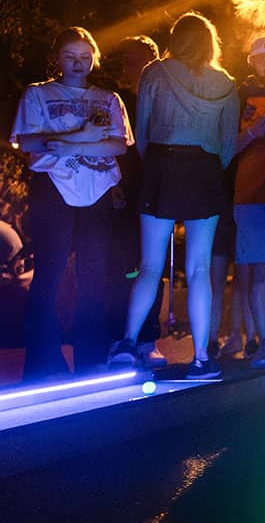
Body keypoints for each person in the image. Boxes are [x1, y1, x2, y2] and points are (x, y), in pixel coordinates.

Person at [108, 12, 239, 380]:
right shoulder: (226, 83)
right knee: (199, 269)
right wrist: (207, 163)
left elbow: (143, 131)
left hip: (162, 167)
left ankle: (128, 345)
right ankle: (201, 359)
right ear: (210, 43)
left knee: (149, 265)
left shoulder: (155, 73)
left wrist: (159, 162)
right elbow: (228, 145)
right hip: (206, 171)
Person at [11, 27, 133, 380]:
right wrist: (79, 138)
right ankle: (43, 363)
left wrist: (68, 145)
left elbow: (117, 145)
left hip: (96, 192)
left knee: (94, 278)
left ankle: (91, 359)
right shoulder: (38, 94)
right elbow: (28, 141)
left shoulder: (108, 98)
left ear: (94, 57)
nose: (78, 63)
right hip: (52, 189)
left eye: (85, 56)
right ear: (57, 58)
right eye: (70, 56)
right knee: (48, 276)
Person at [105, 35, 166, 369]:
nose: (132, 66)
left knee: (153, 268)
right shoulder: (118, 101)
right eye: (127, 59)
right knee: (121, 269)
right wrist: (113, 184)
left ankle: (147, 340)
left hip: (157, 193)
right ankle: (119, 338)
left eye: (138, 59)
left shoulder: (163, 101)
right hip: (125, 194)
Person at [231, 36, 265, 368]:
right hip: (252, 193)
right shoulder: (238, 96)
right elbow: (225, 147)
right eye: (263, 58)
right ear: (251, 61)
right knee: (261, 272)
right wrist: (254, 133)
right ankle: (262, 340)